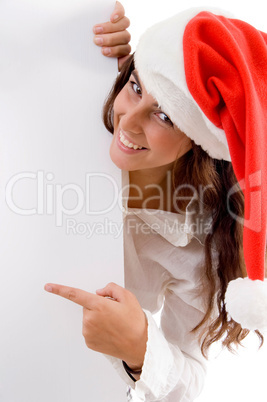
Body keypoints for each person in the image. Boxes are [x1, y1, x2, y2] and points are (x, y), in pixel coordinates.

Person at [45, 3, 267, 401]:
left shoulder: (200, 243)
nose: (127, 122)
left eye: (163, 116)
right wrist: (81, 37)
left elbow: (190, 380)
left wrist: (137, 348)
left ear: (200, 143)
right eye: (135, 87)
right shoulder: (76, 105)